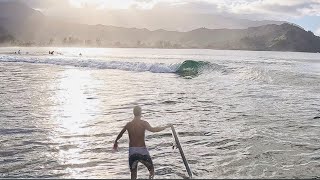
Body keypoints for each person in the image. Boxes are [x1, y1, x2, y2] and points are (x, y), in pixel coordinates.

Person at [113, 106, 171, 179]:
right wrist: (165, 127)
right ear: (140, 112)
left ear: (133, 113)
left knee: (133, 176)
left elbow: (120, 134)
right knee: (151, 171)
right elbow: (154, 130)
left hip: (132, 153)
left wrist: (116, 142)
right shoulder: (143, 123)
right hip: (142, 152)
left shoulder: (128, 124)